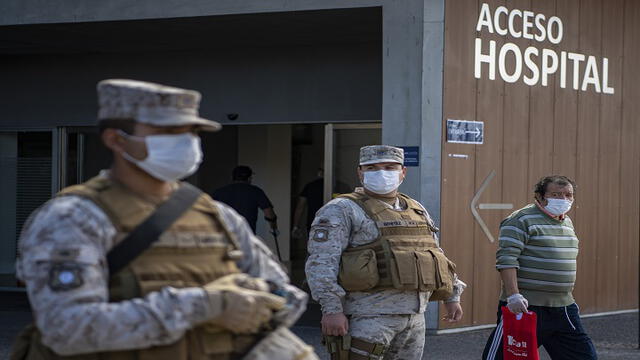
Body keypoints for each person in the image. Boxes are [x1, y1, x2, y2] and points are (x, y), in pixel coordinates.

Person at [11, 79, 317, 360]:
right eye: (167, 132)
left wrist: (250, 304)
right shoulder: (74, 218)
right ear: (116, 139)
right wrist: (206, 305)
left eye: (191, 132)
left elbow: (287, 298)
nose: (184, 142)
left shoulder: (216, 215)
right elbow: (66, 329)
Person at [305, 145, 466, 360]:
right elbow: (322, 262)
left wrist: (452, 295)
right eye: (372, 168)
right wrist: (332, 309)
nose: (381, 173)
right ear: (360, 172)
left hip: (415, 318)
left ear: (403, 172)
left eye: (390, 167)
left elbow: (435, 251)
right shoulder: (341, 209)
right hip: (368, 316)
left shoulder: (415, 208)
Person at [482, 175, 597, 360]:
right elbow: (507, 259)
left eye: (568, 195)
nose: (564, 199)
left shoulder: (566, 222)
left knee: (584, 356)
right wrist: (513, 295)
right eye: (556, 194)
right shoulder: (520, 219)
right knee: (506, 357)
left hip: (564, 307)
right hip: (526, 307)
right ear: (540, 196)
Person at [213, 166, 279, 235]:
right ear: (249, 178)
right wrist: (274, 228)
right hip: (246, 237)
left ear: (232, 177)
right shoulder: (256, 191)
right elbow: (269, 214)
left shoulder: (219, 192)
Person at [291, 168, 324, 239]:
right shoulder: (338, 186)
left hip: (314, 222)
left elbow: (300, 206)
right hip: (333, 224)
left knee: (314, 247)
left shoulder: (310, 186)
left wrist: (295, 226)